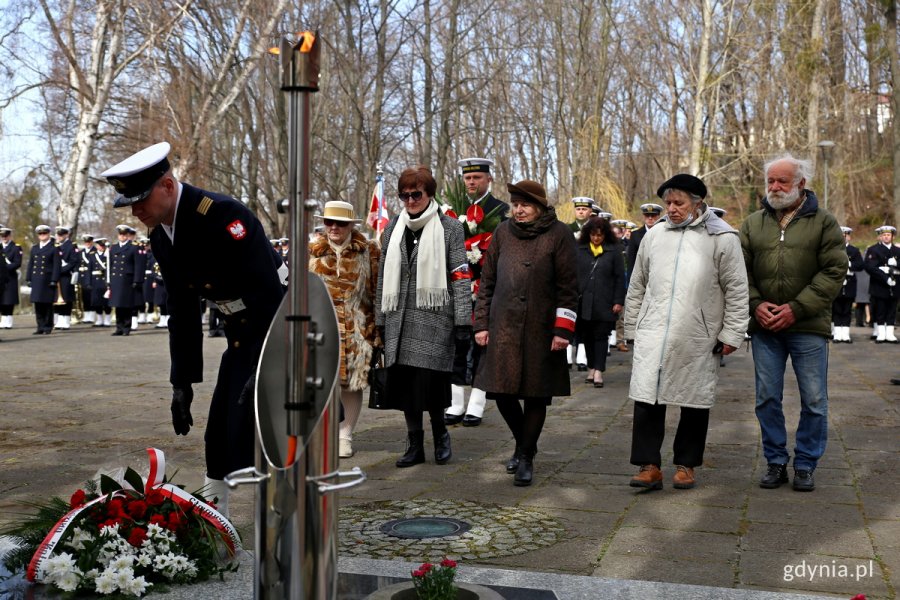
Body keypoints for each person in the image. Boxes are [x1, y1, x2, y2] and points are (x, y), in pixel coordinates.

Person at [102, 141, 287, 517]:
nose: (135, 211)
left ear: (167, 186)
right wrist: (181, 380)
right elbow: (182, 310)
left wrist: (264, 364)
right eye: (130, 203)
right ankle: (212, 524)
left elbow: (268, 291)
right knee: (219, 433)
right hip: (240, 333)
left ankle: (287, 521)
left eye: (141, 199)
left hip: (281, 328)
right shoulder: (161, 236)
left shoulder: (221, 215)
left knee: (270, 428)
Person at [624, 174, 748, 491]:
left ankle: (686, 465)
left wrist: (732, 333)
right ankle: (648, 465)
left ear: (697, 203)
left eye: (678, 203)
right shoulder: (654, 237)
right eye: (668, 203)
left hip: (698, 334)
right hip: (653, 330)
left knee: (694, 400)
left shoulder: (722, 238)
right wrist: (632, 327)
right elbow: (637, 284)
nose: (672, 209)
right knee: (647, 397)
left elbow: (737, 290)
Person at [739, 154, 845, 492]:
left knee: (814, 399)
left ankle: (805, 464)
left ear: (801, 183)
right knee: (766, 398)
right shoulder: (753, 223)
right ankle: (775, 461)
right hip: (765, 327)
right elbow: (739, 272)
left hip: (807, 326)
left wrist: (796, 309)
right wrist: (756, 305)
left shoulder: (824, 222)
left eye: (782, 181)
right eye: (770, 180)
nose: (774, 187)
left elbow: (833, 272)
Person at [473, 180, 578, 487]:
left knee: (535, 394)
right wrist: (481, 324)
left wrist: (563, 329)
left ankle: (526, 458)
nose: (518, 210)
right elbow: (487, 280)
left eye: (525, 205)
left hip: (541, 329)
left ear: (540, 207)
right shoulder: (503, 232)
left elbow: (568, 287)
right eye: (515, 204)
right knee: (501, 392)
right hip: (503, 325)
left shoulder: (559, 234)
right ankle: (525, 444)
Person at [374, 166, 471, 468]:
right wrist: (379, 319)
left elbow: (460, 275)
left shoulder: (450, 228)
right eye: (405, 195)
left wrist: (463, 320)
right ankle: (414, 442)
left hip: (434, 318)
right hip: (398, 320)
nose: (410, 200)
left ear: (429, 193)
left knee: (431, 385)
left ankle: (441, 435)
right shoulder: (392, 229)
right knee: (404, 387)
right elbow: (381, 279)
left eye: (416, 194)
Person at [309, 200, 380, 458]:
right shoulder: (312, 252)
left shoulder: (369, 251)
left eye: (341, 223)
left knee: (352, 384)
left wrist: (375, 330)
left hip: (357, 327)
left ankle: (344, 435)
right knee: (321, 384)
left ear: (352, 225)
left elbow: (376, 293)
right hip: (320, 329)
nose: (334, 227)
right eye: (329, 222)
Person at [445, 157, 508, 428]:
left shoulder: (500, 210)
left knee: (483, 345)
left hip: (486, 290)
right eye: (468, 178)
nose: (472, 182)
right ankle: (456, 403)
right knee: (456, 344)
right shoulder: (454, 211)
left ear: (488, 179)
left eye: (477, 178)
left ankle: (477, 405)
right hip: (458, 289)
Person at [576, 217, 625, 388]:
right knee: (587, 338)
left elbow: (620, 278)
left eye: (600, 235)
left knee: (601, 337)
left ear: (605, 235)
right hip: (584, 304)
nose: (596, 238)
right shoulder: (580, 250)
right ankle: (591, 367)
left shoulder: (614, 251)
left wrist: (618, 300)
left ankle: (599, 371)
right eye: (593, 234)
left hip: (605, 302)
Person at [864, 225, 900, 343]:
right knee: (880, 309)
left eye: (888, 235)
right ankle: (881, 333)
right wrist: (884, 277)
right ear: (880, 236)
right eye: (884, 235)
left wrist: (897, 264)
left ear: (892, 236)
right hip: (879, 285)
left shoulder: (897, 251)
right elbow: (869, 267)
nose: (886, 237)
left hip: (895, 285)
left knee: (892, 309)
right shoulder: (873, 250)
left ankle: (889, 334)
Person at [108, 224, 142, 336]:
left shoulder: (133, 247)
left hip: (127, 279)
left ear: (127, 235)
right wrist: (108, 280)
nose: (122, 237)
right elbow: (110, 265)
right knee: (118, 305)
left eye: (124, 235)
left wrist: (137, 280)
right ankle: (119, 327)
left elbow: (138, 265)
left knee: (126, 305)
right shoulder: (114, 248)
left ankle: (126, 328)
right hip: (116, 279)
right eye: (120, 234)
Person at [831, 227, 864, 343]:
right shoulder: (832, 250)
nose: (843, 238)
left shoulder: (854, 250)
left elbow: (860, 265)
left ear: (849, 237)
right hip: (836, 283)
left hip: (849, 283)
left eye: (845, 236)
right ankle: (837, 333)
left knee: (847, 309)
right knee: (836, 309)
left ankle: (845, 334)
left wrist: (849, 264)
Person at [27, 225, 60, 334]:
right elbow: (31, 264)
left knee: (47, 304)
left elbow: (56, 265)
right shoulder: (35, 248)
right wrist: (28, 278)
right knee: (38, 304)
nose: (42, 235)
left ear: (48, 234)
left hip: (47, 279)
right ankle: (40, 326)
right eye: (40, 234)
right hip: (36, 279)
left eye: (44, 233)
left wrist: (54, 279)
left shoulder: (53, 248)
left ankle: (47, 326)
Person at [625, 202, 663, 285]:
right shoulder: (635, 235)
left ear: (658, 216)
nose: (650, 218)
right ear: (643, 216)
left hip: (659, 280)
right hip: (641, 280)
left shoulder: (664, 234)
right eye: (647, 215)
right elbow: (631, 262)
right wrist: (630, 284)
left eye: (653, 215)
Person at [53, 226, 78, 330]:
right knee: (57, 298)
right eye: (58, 235)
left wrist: (62, 269)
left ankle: (66, 320)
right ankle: (59, 320)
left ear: (66, 235)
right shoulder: (55, 246)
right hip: (57, 275)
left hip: (66, 275)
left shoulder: (71, 246)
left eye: (61, 235)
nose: (59, 237)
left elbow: (74, 261)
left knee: (66, 298)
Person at [0, 226, 23, 329]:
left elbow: (17, 263)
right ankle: (3, 320)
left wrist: (5, 267)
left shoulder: (16, 247)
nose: (4, 238)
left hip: (10, 277)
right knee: (1, 299)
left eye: (6, 235)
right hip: (1, 277)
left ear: (9, 236)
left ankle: (8, 321)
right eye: (2, 236)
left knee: (9, 300)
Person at [89, 237, 112, 327]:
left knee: (106, 301)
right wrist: (88, 282)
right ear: (96, 246)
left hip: (106, 281)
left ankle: (107, 319)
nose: (101, 247)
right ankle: (99, 319)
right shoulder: (92, 255)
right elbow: (89, 270)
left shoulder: (109, 254)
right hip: (95, 281)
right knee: (96, 302)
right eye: (100, 245)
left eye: (103, 246)